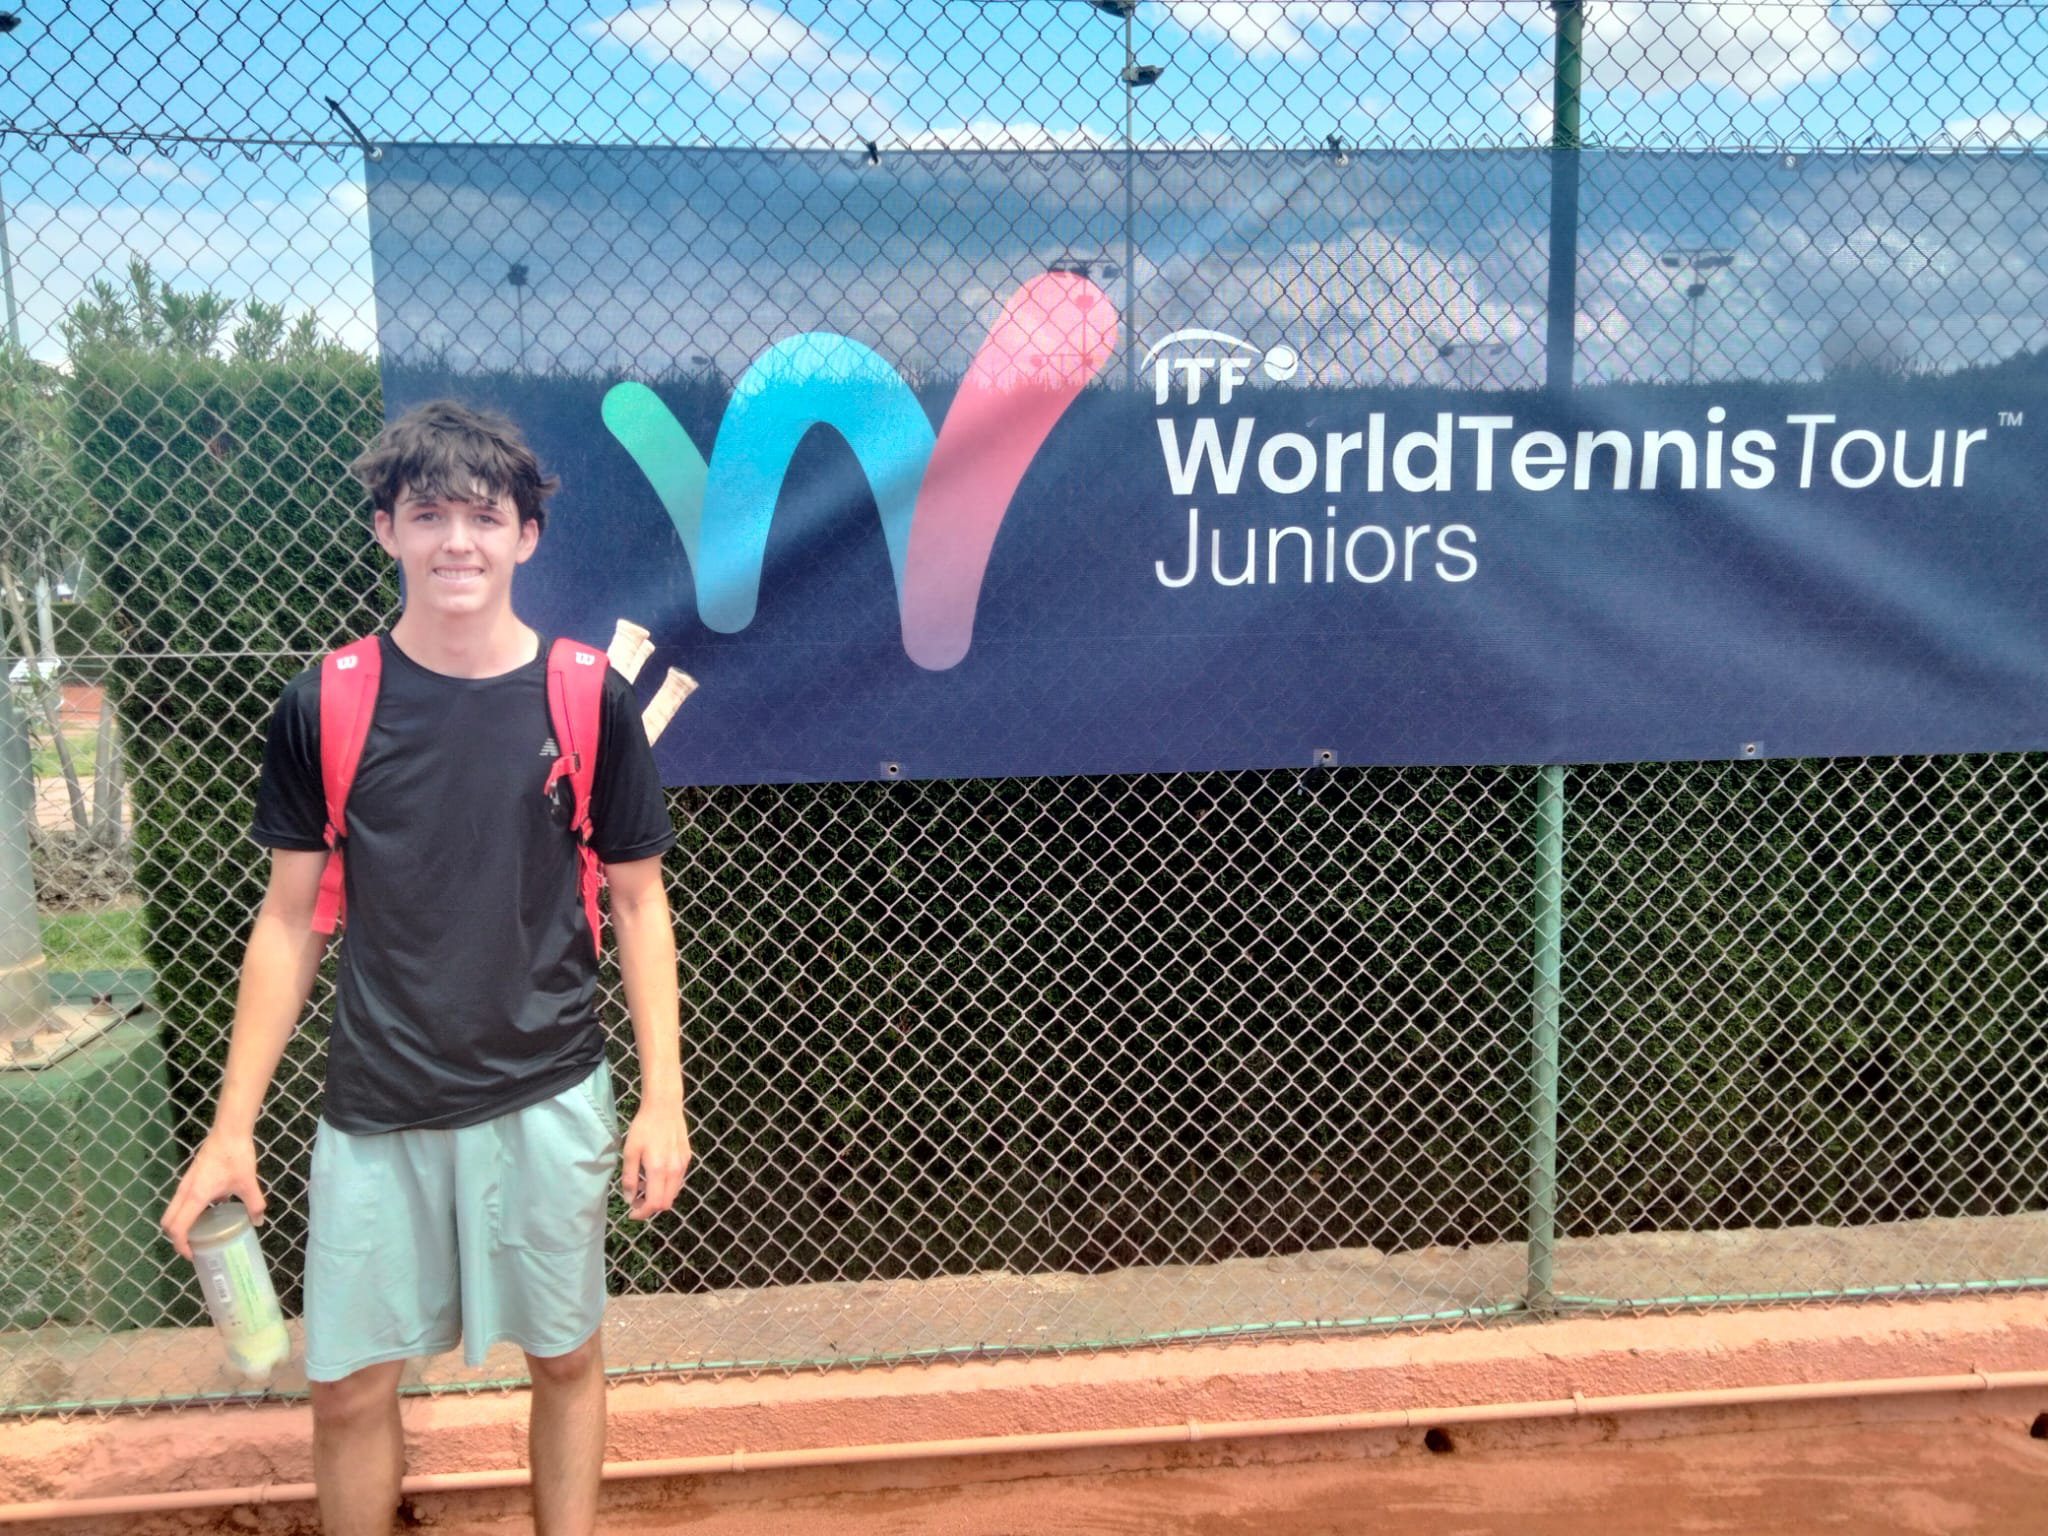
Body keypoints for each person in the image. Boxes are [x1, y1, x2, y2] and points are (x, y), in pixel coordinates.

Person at [161, 400, 689, 1536]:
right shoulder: (327, 701)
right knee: (349, 1388)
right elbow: (288, 922)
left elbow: (639, 902)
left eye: (484, 517)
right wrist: (230, 1128)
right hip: (378, 1102)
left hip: (549, 1089)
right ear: (385, 529)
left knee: (566, 1358)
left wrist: (663, 1102)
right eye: (429, 514)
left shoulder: (587, 695)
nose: (458, 541)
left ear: (526, 537)